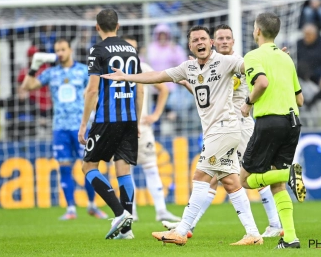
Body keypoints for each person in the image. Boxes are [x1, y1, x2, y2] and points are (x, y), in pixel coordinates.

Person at [102, 25, 263, 246]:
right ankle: (253, 234)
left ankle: (181, 230)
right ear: (190, 45)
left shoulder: (226, 62)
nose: (200, 43)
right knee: (231, 182)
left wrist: (272, 61)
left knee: (200, 177)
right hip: (215, 131)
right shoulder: (188, 68)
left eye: (203, 39)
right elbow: (157, 76)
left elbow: (251, 67)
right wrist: (127, 76)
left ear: (211, 42)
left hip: (225, 128)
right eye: (195, 40)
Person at [162, 24, 283, 238]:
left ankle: (274, 222)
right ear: (213, 42)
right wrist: (189, 82)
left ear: (233, 41)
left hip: (241, 125)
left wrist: (272, 63)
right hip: (220, 127)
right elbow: (206, 97)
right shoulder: (208, 64)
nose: (225, 41)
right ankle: (188, 226)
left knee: (250, 172)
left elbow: (256, 81)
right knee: (220, 178)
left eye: (228, 37)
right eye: (220, 38)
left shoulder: (235, 63)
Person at [239, 12, 306, 249]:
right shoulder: (286, 59)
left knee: (245, 180)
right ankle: (290, 238)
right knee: (276, 184)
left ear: (257, 30)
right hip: (293, 122)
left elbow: (262, 82)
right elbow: (301, 100)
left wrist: (247, 103)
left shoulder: (253, 56)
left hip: (270, 122)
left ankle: (287, 175)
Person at [21, 38, 107, 221]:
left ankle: (92, 205)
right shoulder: (51, 73)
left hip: (81, 127)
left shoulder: (84, 71)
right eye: (57, 50)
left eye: (63, 49)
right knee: (65, 168)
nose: (60, 53)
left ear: (70, 50)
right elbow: (26, 87)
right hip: (59, 128)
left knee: (89, 167)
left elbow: (95, 91)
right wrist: (34, 67)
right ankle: (70, 209)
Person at [78, 9, 144, 240]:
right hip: (129, 117)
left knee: (88, 166)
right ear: (118, 25)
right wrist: (138, 118)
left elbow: (93, 89)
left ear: (97, 27)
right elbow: (140, 85)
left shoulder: (97, 50)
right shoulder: (131, 50)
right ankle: (126, 230)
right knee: (123, 169)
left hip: (107, 118)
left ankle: (119, 214)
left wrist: (84, 124)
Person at [121, 35, 181, 223]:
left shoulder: (143, 68)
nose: (132, 51)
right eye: (128, 47)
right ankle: (130, 212)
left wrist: (155, 115)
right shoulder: (114, 71)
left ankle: (161, 210)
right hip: (121, 129)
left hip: (142, 128)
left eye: (135, 48)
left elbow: (163, 89)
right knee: (124, 170)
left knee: (151, 168)